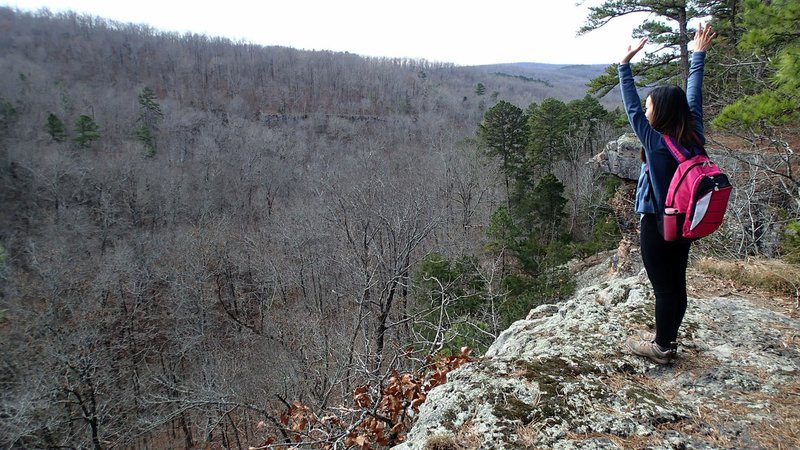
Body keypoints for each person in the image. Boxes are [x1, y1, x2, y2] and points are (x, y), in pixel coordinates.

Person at [619, 23, 717, 364]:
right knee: (677, 284)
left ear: (659, 113)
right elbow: (693, 96)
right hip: (686, 225)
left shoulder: (656, 142)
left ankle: (661, 347)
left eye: (650, 108)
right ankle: (668, 338)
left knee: (664, 288)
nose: (645, 112)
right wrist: (699, 54)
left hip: (658, 225)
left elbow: (631, 108)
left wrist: (624, 66)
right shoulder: (694, 133)